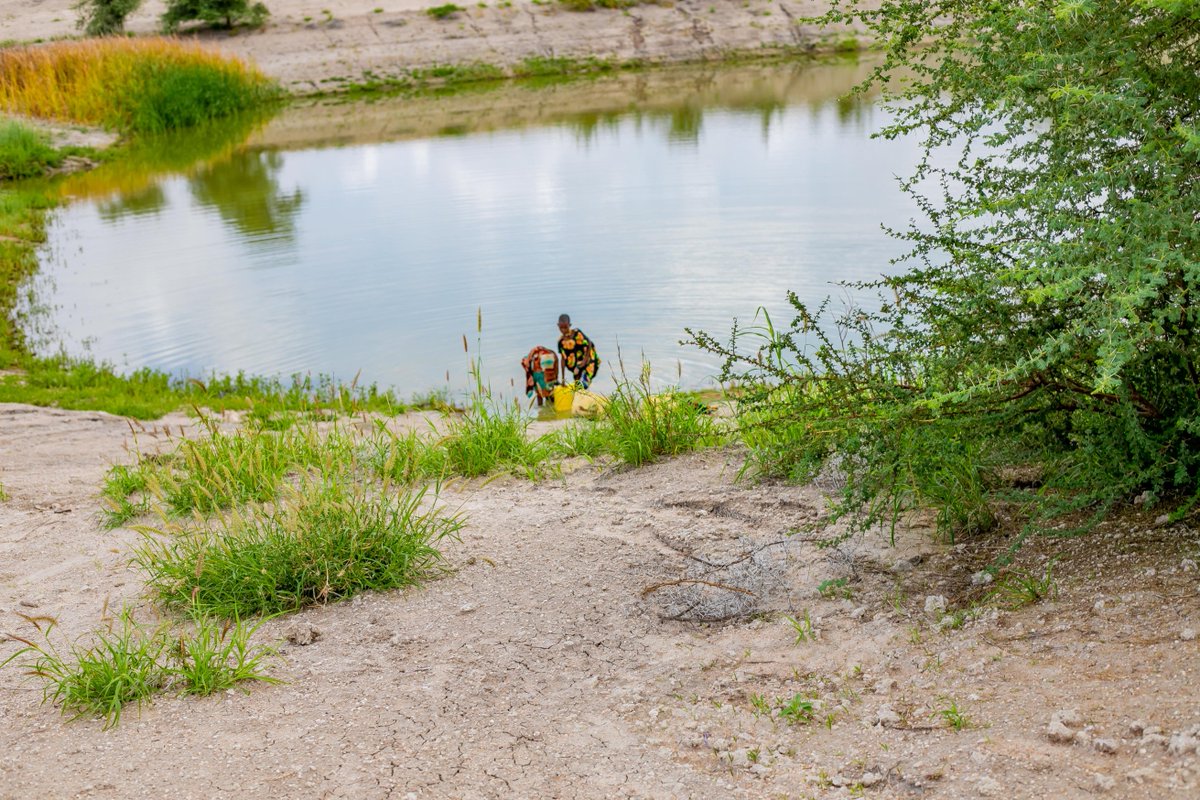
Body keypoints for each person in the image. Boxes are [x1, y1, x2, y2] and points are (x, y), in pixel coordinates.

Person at [556, 314, 600, 388]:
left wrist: (583, 363)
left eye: (565, 327)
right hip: (576, 365)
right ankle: (580, 395)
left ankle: (585, 392)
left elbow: (588, 343)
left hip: (587, 359)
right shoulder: (561, 342)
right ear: (558, 325)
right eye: (561, 328)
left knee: (584, 382)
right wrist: (563, 380)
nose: (563, 330)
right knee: (577, 382)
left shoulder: (576, 333)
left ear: (570, 325)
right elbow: (563, 359)